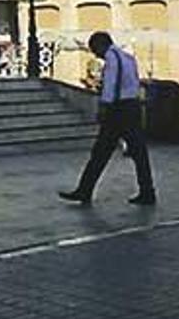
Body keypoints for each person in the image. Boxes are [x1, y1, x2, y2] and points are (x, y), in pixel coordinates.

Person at [60, 32, 156, 206]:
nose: (95, 54)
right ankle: (147, 191)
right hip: (132, 107)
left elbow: (111, 85)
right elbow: (133, 82)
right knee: (138, 152)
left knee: (100, 152)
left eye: (95, 49)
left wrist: (104, 108)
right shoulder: (128, 57)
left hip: (118, 110)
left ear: (101, 44)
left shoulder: (113, 59)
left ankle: (85, 190)